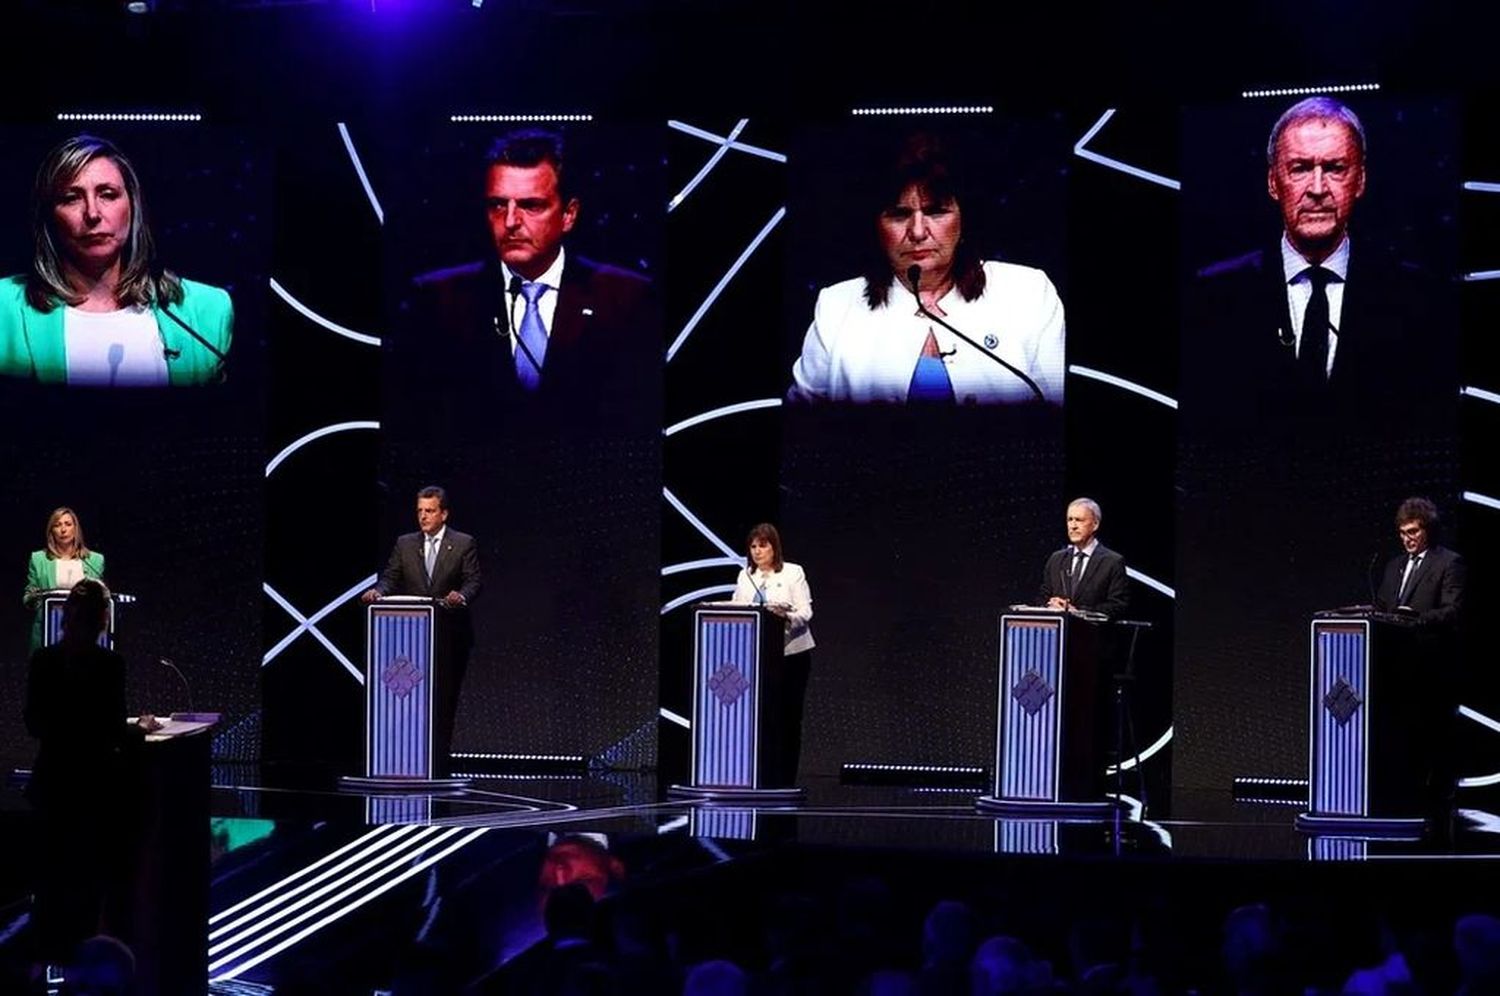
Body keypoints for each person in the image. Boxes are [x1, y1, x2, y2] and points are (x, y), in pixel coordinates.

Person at [1185, 97, 1447, 419]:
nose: (1318, 188)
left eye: (1335, 168)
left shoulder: (1417, 296)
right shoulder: (1212, 295)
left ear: (1360, 181)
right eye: (1300, 169)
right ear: (1273, 183)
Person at [788, 131, 1064, 405]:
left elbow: (1059, 415)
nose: (918, 232)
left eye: (935, 212)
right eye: (899, 215)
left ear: (963, 219)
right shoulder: (836, 305)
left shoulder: (1028, 292)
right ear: (877, 226)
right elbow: (798, 428)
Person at [404, 127, 657, 421]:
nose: (510, 221)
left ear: (568, 215)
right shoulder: (439, 299)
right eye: (498, 205)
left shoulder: (625, 298)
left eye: (531, 206)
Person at [0, 134, 232, 386]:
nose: (92, 213)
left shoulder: (208, 310)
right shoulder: (5, 309)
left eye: (108, 194)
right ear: (48, 218)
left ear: (133, 207)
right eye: (71, 198)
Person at [24, 579, 158, 968]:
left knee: (51, 890)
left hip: (51, 787)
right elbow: (113, 728)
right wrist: (139, 728)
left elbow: (34, 723)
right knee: (86, 890)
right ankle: (84, 974)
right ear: (103, 618)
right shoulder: (109, 665)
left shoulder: (43, 661)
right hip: (92, 793)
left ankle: (46, 973)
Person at [361, 486, 482, 774]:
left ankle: (439, 762)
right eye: (419, 511)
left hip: (450, 637)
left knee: (444, 701)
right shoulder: (405, 544)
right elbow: (391, 577)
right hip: (412, 639)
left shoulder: (463, 543)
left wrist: (460, 596)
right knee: (412, 699)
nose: (423, 517)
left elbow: (474, 581)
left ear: (444, 513)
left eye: (429, 511)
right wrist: (378, 591)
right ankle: (407, 760)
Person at [1372, 496, 1464, 832]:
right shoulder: (1394, 565)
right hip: (1395, 669)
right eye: (1402, 533)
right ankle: (1401, 796)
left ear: (1427, 529)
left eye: (1413, 531)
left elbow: (1454, 611)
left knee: (1434, 737)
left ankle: (1438, 809)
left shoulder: (1448, 563)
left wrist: (1418, 619)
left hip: (1431, 667)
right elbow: (1382, 607)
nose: (1407, 538)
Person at [730, 523, 814, 786]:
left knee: (789, 717)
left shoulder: (792, 573)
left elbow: (805, 612)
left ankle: (786, 778)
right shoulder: (746, 576)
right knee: (762, 718)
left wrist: (785, 616)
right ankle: (760, 775)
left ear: (774, 547)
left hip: (791, 656)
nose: (757, 551)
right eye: (753, 546)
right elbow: (736, 608)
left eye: (763, 545)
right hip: (757, 659)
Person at [23, 507, 106, 653]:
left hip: (86, 634)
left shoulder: (95, 560)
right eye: (57, 525)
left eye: (68, 524)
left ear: (76, 529)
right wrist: (34, 598)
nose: (63, 529)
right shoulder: (38, 559)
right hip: (48, 632)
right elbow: (28, 597)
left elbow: (100, 597)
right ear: (51, 531)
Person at [1037, 498, 1130, 619]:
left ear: (1095, 524)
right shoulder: (1056, 559)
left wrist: (1078, 612)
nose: (1073, 526)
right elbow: (1042, 597)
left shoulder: (1112, 562)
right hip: (1059, 633)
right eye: (1070, 520)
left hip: (1093, 634)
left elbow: (1118, 605)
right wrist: (1050, 605)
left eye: (1079, 520)